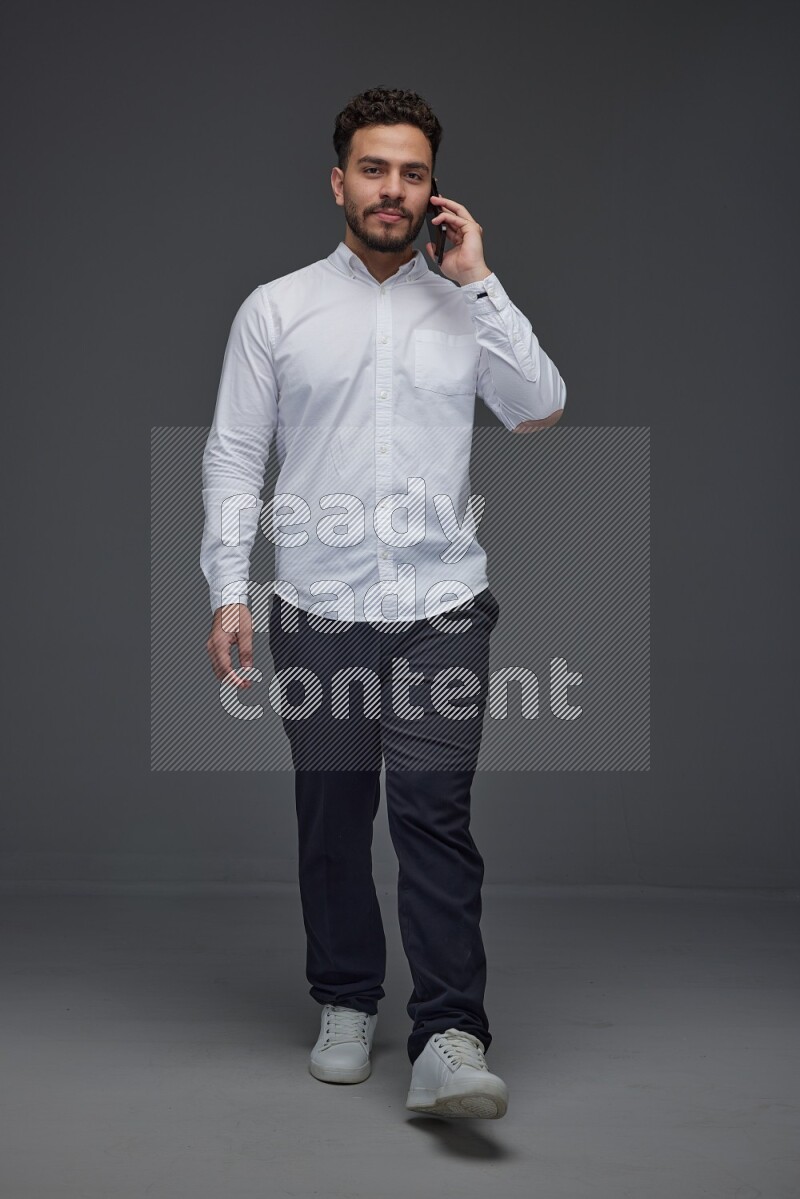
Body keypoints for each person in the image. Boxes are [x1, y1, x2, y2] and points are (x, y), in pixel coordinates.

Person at [200, 86, 566, 1120]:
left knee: (432, 816)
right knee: (332, 816)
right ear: (338, 180)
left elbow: (538, 407)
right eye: (373, 168)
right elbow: (234, 455)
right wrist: (227, 588)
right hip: (316, 608)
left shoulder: (465, 303)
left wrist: (482, 280)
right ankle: (347, 998)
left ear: (432, 189)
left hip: (440, 605)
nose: (391, 189)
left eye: (411, 173)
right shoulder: (276, 309)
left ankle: (451, 1032)